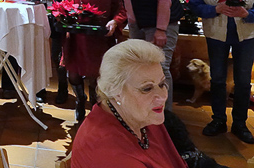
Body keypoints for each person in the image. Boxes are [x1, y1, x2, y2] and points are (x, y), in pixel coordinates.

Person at [72, 39, 187, 168]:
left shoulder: (141, 114)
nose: (162, 96)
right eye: (147, 89)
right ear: (116, 92)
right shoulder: (109, 153)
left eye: (161, 84)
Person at [189, 0, 254, 144]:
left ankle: (240, 123)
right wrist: (214, 9)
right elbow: (194, 6)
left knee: (243, 81)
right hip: (216, 36)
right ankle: (218, 120)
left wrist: (247, 14)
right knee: (217, 79)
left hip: (246, 36)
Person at [114, 0, 183, 111]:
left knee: (160, 69)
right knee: (141, 69)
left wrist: (161, 29)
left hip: (159, 25)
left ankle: (165, 115)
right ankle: (146, 111)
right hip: (139, 24)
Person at [63, 0, 126, 121]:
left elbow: (121, 8)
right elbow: (66, 3)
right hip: (75, 36)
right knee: (72, 73)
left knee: (94, 74)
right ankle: (79, 100)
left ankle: (94, 107)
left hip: (98, 38)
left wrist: (115, 21)